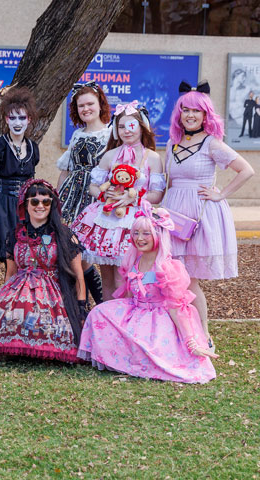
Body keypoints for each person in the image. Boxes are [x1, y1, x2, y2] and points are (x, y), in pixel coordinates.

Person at [78, 201, 218, 383]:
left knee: (150, 346)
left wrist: (191, 343)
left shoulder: (167, 267)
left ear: (158, 235)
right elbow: (130, 296)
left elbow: (176, 308)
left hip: (160, 318)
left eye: (146, 233)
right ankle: (115, 356)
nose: (139, 238)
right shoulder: (134, 260)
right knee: (99, 312)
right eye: (135, 233)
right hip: (137, 311)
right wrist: (123, 319)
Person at [164, 81, 254, 350]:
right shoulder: (172, 143)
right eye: (185, 110)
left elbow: (246, 170)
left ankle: (203, 335)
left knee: (190, 280)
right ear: (179, 114)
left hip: (199, 215)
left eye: (196, 111)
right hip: (173, 215)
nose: (190, 115)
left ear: (206, 115)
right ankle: (179, 334)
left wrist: (221, 193)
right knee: (171, 279)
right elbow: (168, 181)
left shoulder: (212, 144)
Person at [72, 102, 165, 301]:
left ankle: (129, 319)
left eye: (131, 126)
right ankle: (108, 322)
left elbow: (157, 194)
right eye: (121, 126)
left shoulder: (153, 158)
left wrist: (135, 197)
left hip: (135, 221)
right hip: (107, 220)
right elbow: (94, 186)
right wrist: (106, 196)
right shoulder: (110, 155)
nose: (126, 131)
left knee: (129, 276)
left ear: (142, 127)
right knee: (107, 278)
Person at [0, 179, 86, 363]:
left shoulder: (64, 235)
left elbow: (78, 275)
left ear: (52, 205)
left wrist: (81, 309)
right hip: (18, 290)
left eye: (46, 201)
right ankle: (16, 347)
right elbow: (10, 273)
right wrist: (2, 302)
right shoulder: (15, 235)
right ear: (26, 204)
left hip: (53, 294)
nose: (40, 206)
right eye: (35, 201)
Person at [56, 81, 112, 305]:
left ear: (100, 105)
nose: (86, 109)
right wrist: (56, 200)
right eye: (81, 106)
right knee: (74, 253)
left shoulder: (110, 135)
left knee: (92, 256)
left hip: (96, 197)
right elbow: (65, 171)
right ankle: (80, 306)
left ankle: (102, 305)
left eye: (90, 104)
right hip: (71, 198)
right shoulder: (77, 135)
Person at [0, 87, 40, 264]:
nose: (17, 122)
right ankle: (9, 291)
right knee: (10, 256)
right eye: (12, 117)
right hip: (3, 205)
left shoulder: (32, 147)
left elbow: (32, 180)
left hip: (25, 206)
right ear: (6, 119)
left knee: (26, 254)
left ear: (28, 119)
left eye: (22, 117)